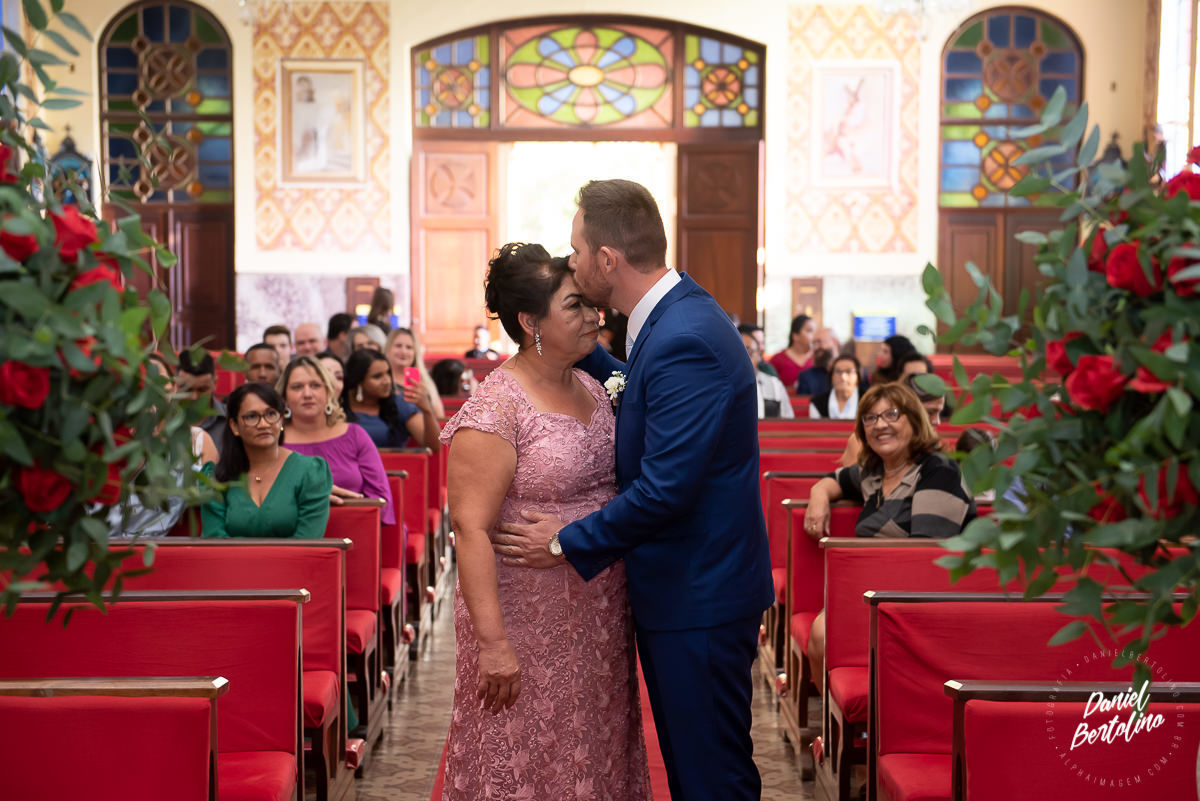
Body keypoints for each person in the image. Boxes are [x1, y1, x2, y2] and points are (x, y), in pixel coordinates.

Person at [494, 180, 773, 801]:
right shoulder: (675, 317)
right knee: (697, 765)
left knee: (711, 776)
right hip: (694, 587)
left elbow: (665, 491)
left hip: (700, 593)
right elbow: (642, 392)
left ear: (606, 260)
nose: (571, 262)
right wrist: (577, 350)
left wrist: (565, 542)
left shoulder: (683, 338)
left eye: (575, 250)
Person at [438, 243, 650, 799]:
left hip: (598, 616)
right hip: (527, 621)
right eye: (575, 306)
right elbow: (471, 531)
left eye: (590, 305)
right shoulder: (495, 409)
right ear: (530, 320)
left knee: (593, 753)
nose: (593, 317)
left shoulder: (588, 386)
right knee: (524, 755)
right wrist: (493, 643)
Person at [803, 382, 975, 689]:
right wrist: (818, 497)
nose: (880, 424)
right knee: (819, 633)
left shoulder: (939, 471)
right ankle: (841, 733)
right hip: (875, 589)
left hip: (922, 598)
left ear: (914, 419)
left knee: (822, 631)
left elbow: (926, 558)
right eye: (870, 418)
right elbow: (834, 479)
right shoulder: (875, 471)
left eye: (892, 414)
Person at [200, 383, 332, 539]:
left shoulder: (310, 471)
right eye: (251, 416)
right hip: (231, 563)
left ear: (281, 419)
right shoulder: (216, 478)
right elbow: (215, 539)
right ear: (234, 426)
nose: (263, 424)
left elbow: (309, 540)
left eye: (271, 414)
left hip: (295, 562)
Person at [278, 355, 395, 526]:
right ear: (284, 397)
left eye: (315, 385)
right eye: (297, 387)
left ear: (328, 391)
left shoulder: (355, 435)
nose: (307, 394)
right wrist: (312, 498)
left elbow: (382, 502)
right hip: (290, 536)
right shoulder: (273, 442)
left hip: (356, 531)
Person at [342, 348, 440, 451]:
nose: (387, 381)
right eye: (377, 376)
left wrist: (427, 410)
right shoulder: (340, 406)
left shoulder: (401, 404)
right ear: (358, 382)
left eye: (388, 373)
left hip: (394, 465)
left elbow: (433, 447)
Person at [385, 327, 445, 418]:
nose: (403, 351)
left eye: (409, 347)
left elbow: (440, 416)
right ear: (388, 349)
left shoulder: (425, 381)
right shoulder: (383, 380)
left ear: (415, 353)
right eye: (398, 346)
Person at [177, 349, 227, 450]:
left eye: (202, 390)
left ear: (215, 383)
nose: (194, 397)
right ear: (175, 383)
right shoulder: (162, 422)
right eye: (187, 389)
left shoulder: (231, 420)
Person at [742, 330, 793, 418]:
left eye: (749, 351)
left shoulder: (775, 384)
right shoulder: (722, 387)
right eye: (738, 352)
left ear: (759, 355)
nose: (743, 357)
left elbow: (788, 419)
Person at [768, 313, 817, 387]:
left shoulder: (818, 359)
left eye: (816, 331)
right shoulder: (777, 360)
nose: (815, 336)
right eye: (809, 331)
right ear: (795, 336)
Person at [811, 353, 862, 420]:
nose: (843, 377)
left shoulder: (869, 401)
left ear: (858, 376)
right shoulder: (817, 403)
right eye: (838, 371)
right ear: (831, 376)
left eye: (848, 371)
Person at [795, 327, 839, 396]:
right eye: (813, 344)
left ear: (834, 342)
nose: (815, 347)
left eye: (819, 342)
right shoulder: (806, 377)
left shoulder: (849, 373)